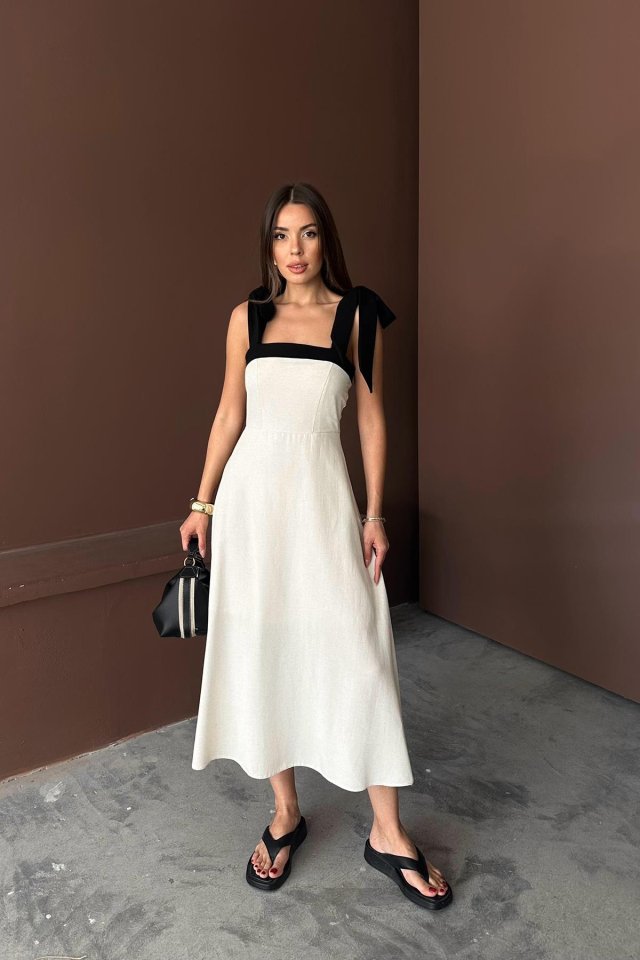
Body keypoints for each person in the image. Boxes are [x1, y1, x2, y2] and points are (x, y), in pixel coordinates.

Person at [180, 182, 452, 910]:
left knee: (361, 653)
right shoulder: (248, 316)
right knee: (266, 647)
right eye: (280, 236)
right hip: (252, 507)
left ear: (325, 239)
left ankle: (387, 832)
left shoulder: (358, 314)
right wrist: (203, 503)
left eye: (306, 234)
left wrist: (374, 512)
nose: (294, 250)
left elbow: (371, 418)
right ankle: (285, 814)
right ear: (267, 246)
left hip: (325, 505)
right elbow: (229, 412)